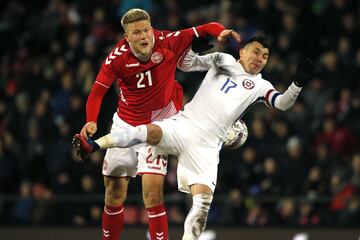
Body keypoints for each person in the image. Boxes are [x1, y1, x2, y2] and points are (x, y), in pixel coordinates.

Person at [74, 36, 314, 239]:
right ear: (242, 51)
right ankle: (93, 145)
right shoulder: (223, 59)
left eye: (265, 55)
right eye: (256, 51)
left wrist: (297, 84)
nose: (259, 58)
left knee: (201, 208)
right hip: (186, 124)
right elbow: (186, 64)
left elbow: (282, 103)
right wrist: (192, 49)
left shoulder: (261, 87)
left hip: (208, 147)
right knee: (146, 131)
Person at [72, 8, 241, 240]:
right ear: (127, 37)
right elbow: (97, 93)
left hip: (160, 126)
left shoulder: (167, 41)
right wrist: (91, 120)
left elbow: (203, 29)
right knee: (113, 192)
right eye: (137, 32)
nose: (144, 36)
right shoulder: (116, 58)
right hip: (126, 124)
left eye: (146, 30)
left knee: (152, 194)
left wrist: (220, 32)